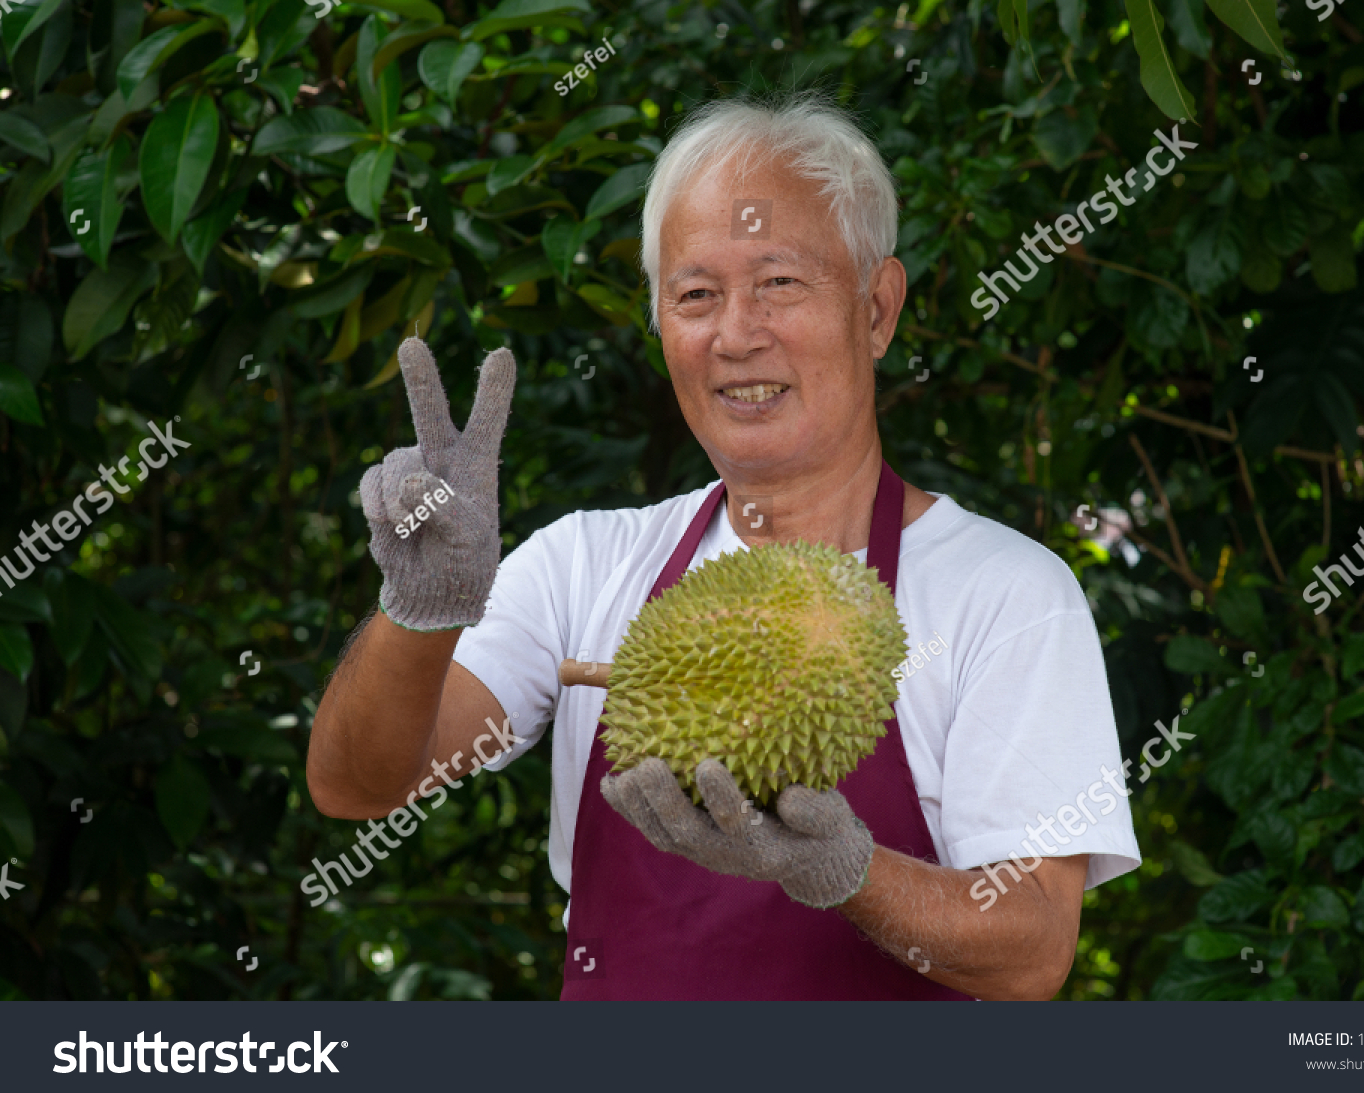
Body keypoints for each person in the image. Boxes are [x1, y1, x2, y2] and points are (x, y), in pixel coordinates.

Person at [308, 92, 1140, 1000]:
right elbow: (360, 786)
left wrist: (849, 872)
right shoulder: (583, 566)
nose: (737, 335)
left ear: (877, 308)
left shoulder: (1006, 594)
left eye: (781, 283)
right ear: (661, 324)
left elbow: (1033, 951)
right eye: (696, 294)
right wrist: (418, 613)